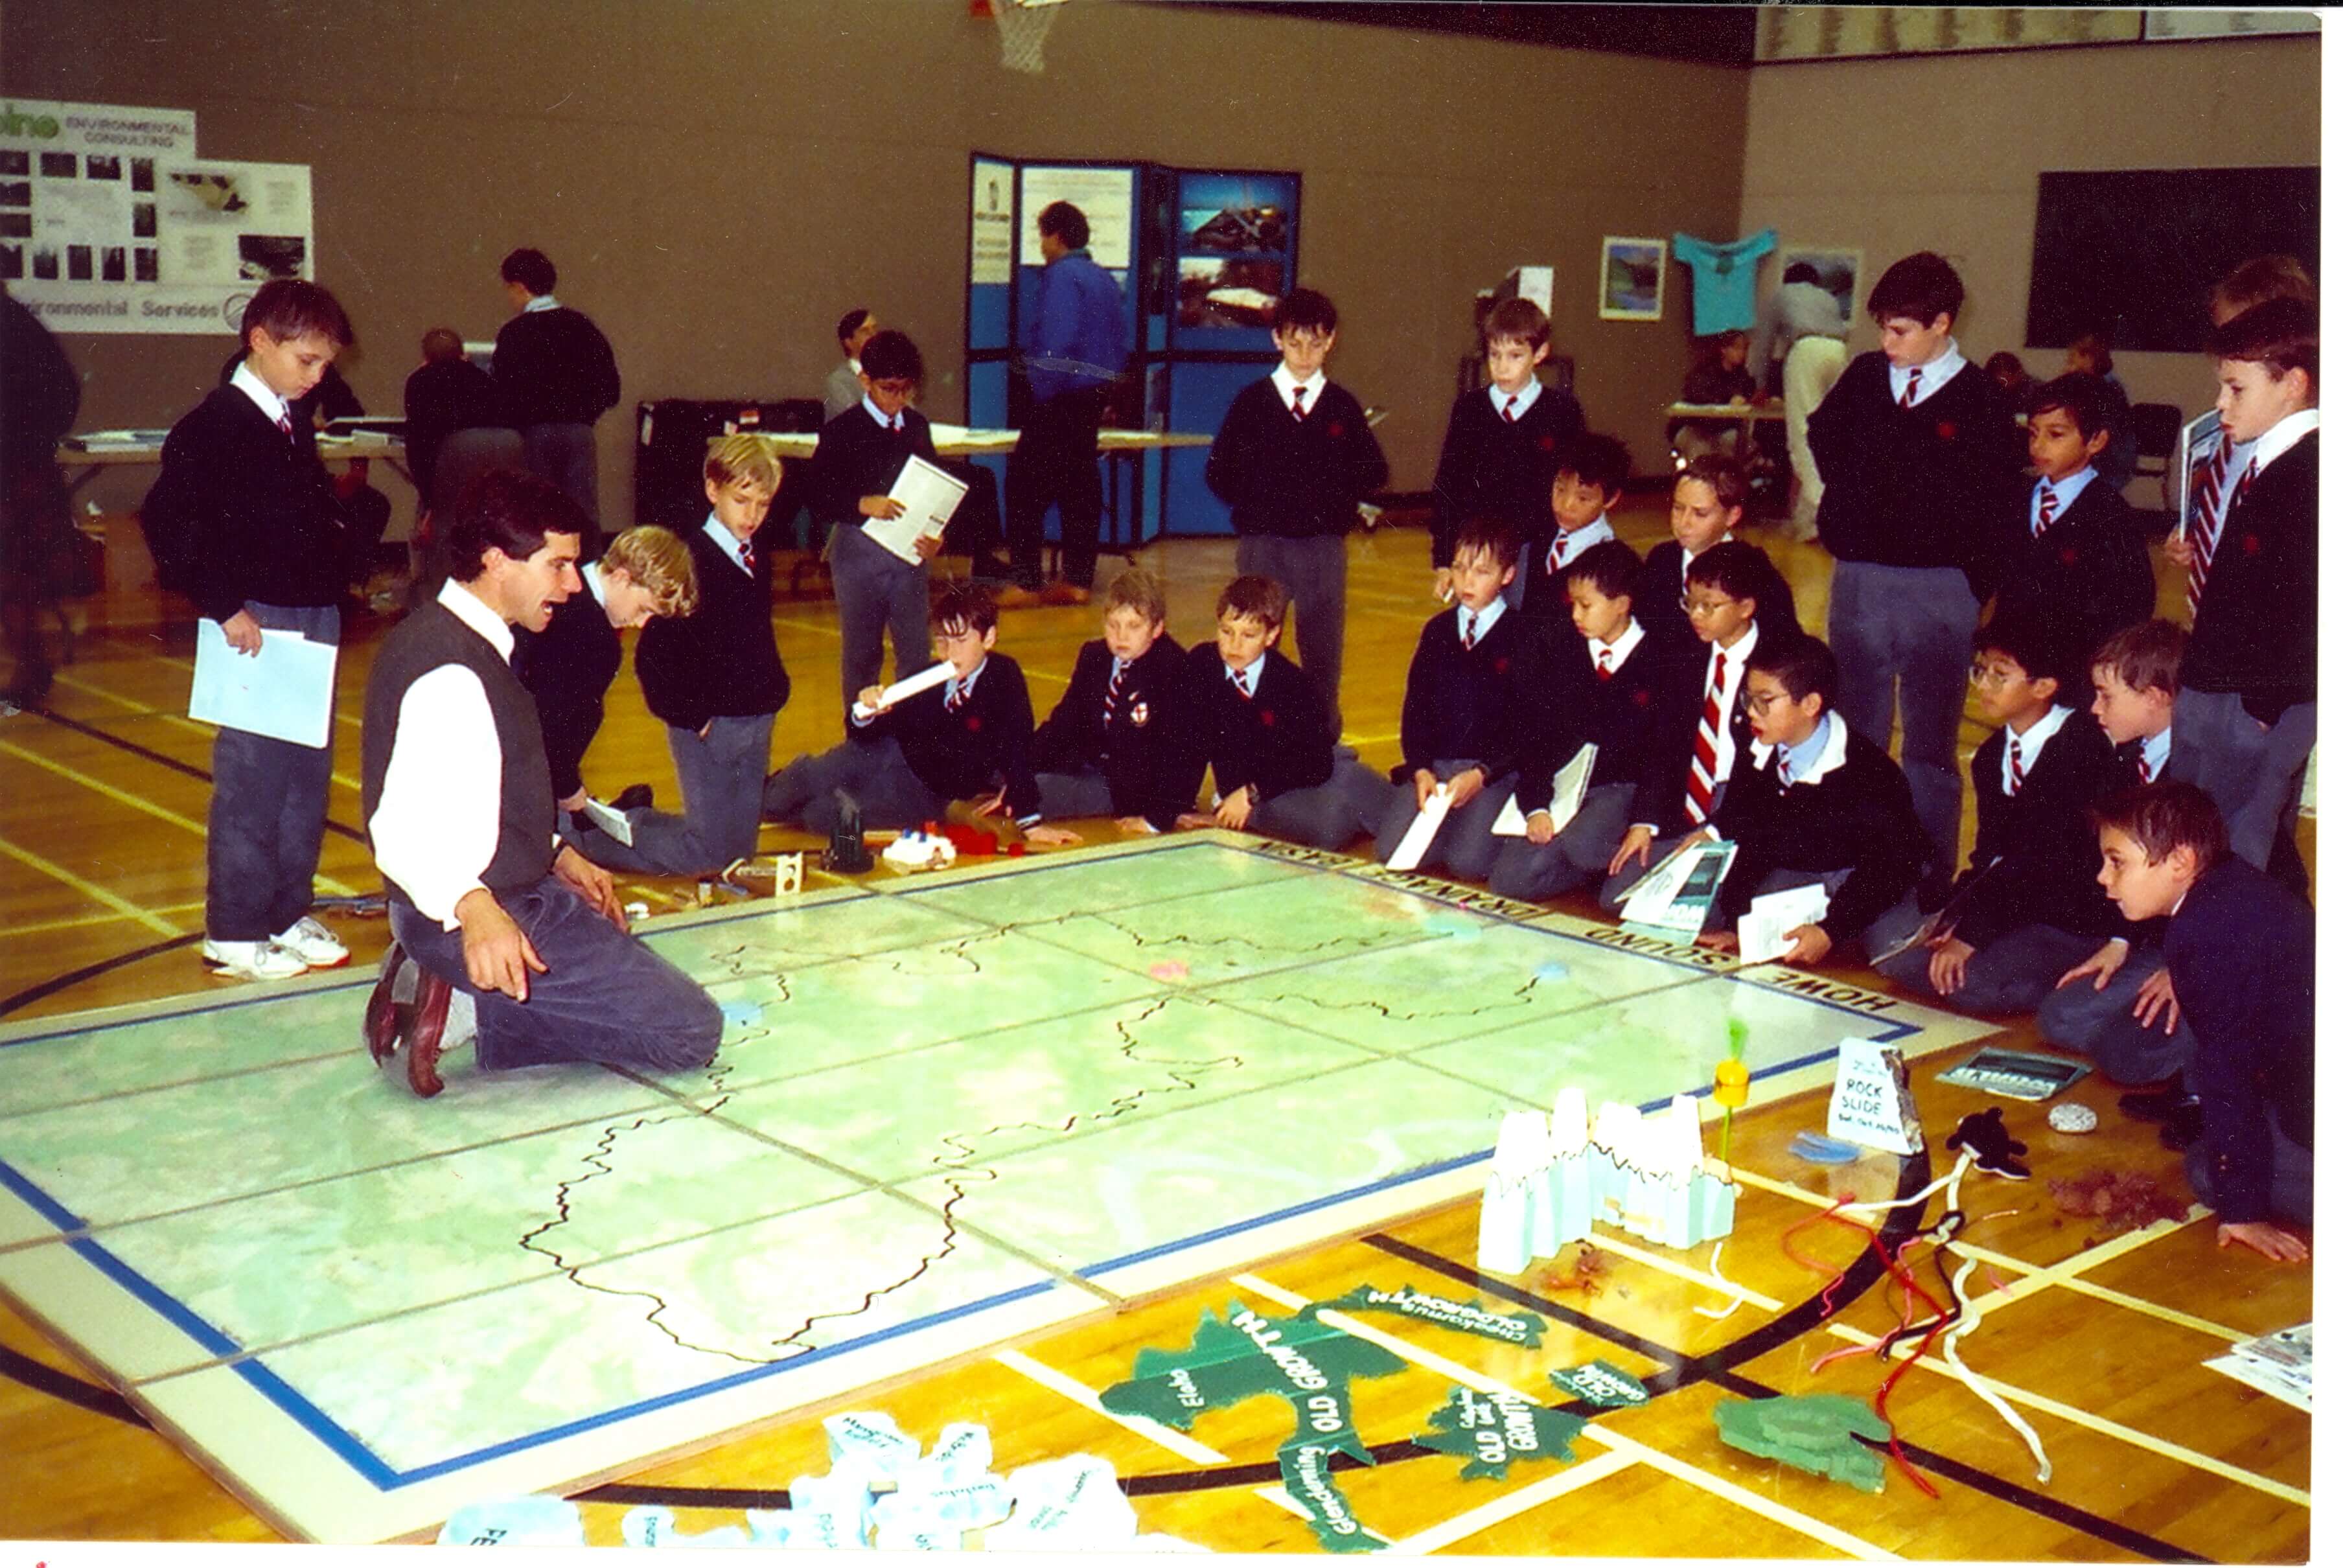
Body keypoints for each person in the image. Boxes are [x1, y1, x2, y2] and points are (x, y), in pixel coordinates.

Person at [361, 469, 721, 1099]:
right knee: (689, 1031)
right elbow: (397, 826)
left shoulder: (457, 637)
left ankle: (467, 989)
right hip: (478, 907)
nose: (570, 584)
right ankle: (474, 1002)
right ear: (499, 561)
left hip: (498, 889)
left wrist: (555, 852)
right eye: (558, 565)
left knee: (623, 974)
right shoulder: (452, 670)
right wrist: (475, 911)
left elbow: (479, 791)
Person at [145, 279, 356, 982]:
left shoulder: (288, 418)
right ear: (259, 339)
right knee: (254, 781)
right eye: (306, 360)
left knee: (305, 777)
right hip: (258, 623)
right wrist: (222, 603)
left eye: (325, 363)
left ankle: (282, 911)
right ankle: (234, 929)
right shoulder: (213, 425)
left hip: (309, 615)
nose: (317, 376)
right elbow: (167, 524)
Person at [1808, 250, 2024, 875]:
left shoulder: (1980, 399)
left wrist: (1973, 585)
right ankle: (1853, 864)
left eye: (1901, 330)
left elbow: (1999, 502)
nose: (1887, 342)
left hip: (1940, 590)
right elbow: (1824, 436)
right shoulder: (1865, 377)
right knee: (1856, 732)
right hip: (1861, 580)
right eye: (1882, 329)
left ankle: (1927, 873)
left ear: (1942, 324)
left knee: (1930, 745)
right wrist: (1851, 510)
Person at [2037, 619, 2252, 1130]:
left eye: (2106, 696)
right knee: (2060, 1017)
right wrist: (2120, 940)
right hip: (2163, 938)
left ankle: (2221, 1064)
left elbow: (2236, 889)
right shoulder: (2133, 759)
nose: (2094, 709)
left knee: (2125, 1056)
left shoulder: (2205, 774)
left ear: (2156, 697)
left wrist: (2188, 968)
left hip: (2223, 944)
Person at [2088, 783, 2310, 1263]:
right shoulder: (2231, 884)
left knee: (2209, 1174)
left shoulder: (2204, 933)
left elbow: (2227, 1071)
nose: (2104, 878)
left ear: (2180, 863)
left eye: (2117, 862)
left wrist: (2243, 1210)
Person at [1875, 616, 2123, 1013]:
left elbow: (2041, 863)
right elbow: (1990, 857)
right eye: (1981, 671)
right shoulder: (1993, 756)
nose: (1983, 686)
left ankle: (2060, 978)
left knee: (1980, 981)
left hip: (2070, 917)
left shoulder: (2082, 749)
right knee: (1897, 952)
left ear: (2043, 687)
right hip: (2015, 905)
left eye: (2000, 675)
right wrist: (1955, 915)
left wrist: (1972, 935)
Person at [2175, 297, 2317, 892]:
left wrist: (2265, 705)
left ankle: (2234, 974)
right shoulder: (2261, 463)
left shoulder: (2312, 473)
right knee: (2208, 836)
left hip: (2257, 703)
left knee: (2238, 848)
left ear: (2293, 384)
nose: (2220, 403)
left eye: (2236, 388)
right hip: (2219, 687)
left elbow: (2309, 608)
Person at [761, 581, 1077, 844]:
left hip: (925, 792)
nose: (949, 652)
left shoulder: (1004, 679)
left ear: (989, 638)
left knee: (824, 816)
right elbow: (869, 732)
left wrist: (1030, 822)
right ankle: (753, 797)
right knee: (807, 778)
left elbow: (1016, 751)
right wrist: (868, 712)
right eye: (942, 640)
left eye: (961, 640)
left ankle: (788, 806)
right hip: (884, 754)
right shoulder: (927, 675)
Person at [1204, 288, 1389, 737]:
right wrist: (1260, 503)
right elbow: (1219, 472)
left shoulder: (1342, 407)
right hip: (1263, 547)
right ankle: (1248, 743)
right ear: (1276, 340)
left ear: (1331, 342)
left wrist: (1332, 502)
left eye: (1315, 342)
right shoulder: (1252, 403)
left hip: (1322, 549)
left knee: (1322, 653)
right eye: (1294, 342)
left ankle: (1322, 744)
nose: (1304, 353)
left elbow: (1374, 472)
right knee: (1250, 646)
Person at [1691, 634, 1933, 970]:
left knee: (1899, 959)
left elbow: (1891, 864)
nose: (1750, 712)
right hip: (1807, 864)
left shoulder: (1870, 774)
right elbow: (1748, 824)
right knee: (1737, 910)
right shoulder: (1758, 743)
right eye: (1748, 698)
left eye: (1765, 701)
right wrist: (1737, 927)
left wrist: (1830, 931)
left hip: (1872, 872)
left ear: (1810, 704)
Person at [1488, 539, 1688, 903]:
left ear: (1623, 605)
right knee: (1509, 880)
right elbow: (1534, 734)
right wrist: (1536, 806)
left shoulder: (1660, 660)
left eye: (1586, 606)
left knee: (1586, 845)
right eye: (1572, 605)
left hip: (1621, 789)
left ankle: (1598, 858)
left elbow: (1665, 752)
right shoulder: (1557, 647)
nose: (1576, 615)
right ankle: (1587, 867)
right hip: (1563, 787)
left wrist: (1645, 820)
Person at [629, 435, 791, 875]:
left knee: (741, 855)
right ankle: (615, 829)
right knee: (708, 854)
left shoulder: (756, 555)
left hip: (756, 718)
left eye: (763, 504)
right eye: (743, 501)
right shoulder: (691, 562)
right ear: (712, 490)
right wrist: (694, 719)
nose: (753, 516)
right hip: (708, 725)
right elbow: (653, 658)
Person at [1600, 540, 1783, 908]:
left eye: (1709, 606)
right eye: (1690, 603)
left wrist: (1718, 829)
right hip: (1687, 798)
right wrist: (1644, 822)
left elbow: (1771, 775)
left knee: (1710, 906)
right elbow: (1662, 746)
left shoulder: (1776, 665)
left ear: (1746, 607)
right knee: (1618, 900)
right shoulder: (1683, 655)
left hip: (1744, 803)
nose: (1696, 615)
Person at [512, 524, 699, 863]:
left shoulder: (569, 591)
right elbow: (551, 722)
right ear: (623, 578)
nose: (641, 624)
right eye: (643, 610)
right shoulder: (591, 633)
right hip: (526, 778)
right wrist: (567, 788)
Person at [1173, 574, 1385, 851]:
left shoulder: (1290, 681)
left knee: (1371, 792)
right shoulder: (1202, 664)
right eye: (1227, 632)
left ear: (1271, 636)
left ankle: (1354, 782)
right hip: (1266, 791)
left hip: (1299, 770)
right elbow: (1188, 740)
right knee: (1330, 826)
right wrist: (1174, 808)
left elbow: (1316, 762)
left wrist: (1252, 792)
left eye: (1249, 636)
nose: (1235, 645)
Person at [1371, 518, 1528, 881]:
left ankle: (1481, 827)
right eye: (1459, 568)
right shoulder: (1437, 631)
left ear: (1507, 576)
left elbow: (1527, 728)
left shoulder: (1524, 636)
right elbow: (1415, 711)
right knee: (1390, 849)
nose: (1467, 581)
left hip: (1491, 773)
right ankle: (1450, 827)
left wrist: (1483, 773)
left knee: (1468, 864)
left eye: (1481, 571)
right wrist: (1421, 768)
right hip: (1439, 767)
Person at [805, 329, 946, 714]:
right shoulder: (842, 431)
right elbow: (816, 496)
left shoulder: (916, 426)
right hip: (858, 557)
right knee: (862, 655)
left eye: (905, 390)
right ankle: (861, 733)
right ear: (865, 381)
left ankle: (916, 741)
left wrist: (937, 536)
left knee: (916, 653)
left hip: (909, 557)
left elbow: (933, 488)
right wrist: (861, 504)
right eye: (888, 389)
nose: (897, 399)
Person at [1991, 372, 2154, 686]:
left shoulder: (2112, 516)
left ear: (2096, 441)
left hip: (2077, 676)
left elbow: (2133, 606)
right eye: (2033, 433)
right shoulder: (2017, 502)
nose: (2038, 446)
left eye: (2056, 435)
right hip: (2019, 675)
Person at [1004, 200, 1127, 602]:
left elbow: (1057, 343)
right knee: (1081, 491)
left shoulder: (1061, 277)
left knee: (1023, 487)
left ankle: (1025, 581)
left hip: (1060, 397)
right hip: (1093, 397)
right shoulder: (1105, 280)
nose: (1041, 245)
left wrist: (1039, 392)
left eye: (1042, 236)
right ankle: (1077, 581)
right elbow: (1118, 344)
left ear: (1056, 237)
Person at [1429, 297, 1584, 597]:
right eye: (1495, 355)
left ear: (1539, 353)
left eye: (1515, 356)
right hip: (1476, 551)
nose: (1502, 367)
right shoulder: (1469, 410)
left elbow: (1573, 487)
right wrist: (1444, 558)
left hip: (1533, 549)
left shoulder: (1562, 411)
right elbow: (1448, 484)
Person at [1030, 568, 1195, 835]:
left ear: (1157, 628)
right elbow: (1063, 722)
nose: (1121, 637)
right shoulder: (1094, 655)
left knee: (1038, 791)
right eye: (1113, 625)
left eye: (1133, 627)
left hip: (1127, 787)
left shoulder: (1174, 668)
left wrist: (1158, 820)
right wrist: (1020, 767)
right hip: (1085, 763)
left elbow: (1182, 754)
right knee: (1000, 761)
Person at [492, 247, 622, 539]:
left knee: (540, 515)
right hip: (580, 432)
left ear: (519, 287)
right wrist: (585, 415)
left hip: (535, 435)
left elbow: (502, 392)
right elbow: (611, 387)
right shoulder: (583, 327)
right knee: (583, 513)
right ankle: (587, 576)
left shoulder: (515, 333)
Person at [1632, 454, 1796, 660]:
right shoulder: (1661, 560)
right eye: (1678, 508)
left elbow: (1783, 654)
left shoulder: (1758, 577)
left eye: (1700, 514)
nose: (1684, 522)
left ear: (1732, 515)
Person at [1, 286, 80, 709]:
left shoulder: (13, 326)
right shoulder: (22, 323)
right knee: (15, 578)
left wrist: (25, 442)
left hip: (15, 473)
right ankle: (30, 666)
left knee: (13, 577)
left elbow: (62, 397)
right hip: (24, 467)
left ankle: (30, 668)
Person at [1756, 261, 1850, 542]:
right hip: (1838, 350)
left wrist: (1759, 385)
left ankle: (1820, 515)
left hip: (1807, 350)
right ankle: (1810, 514)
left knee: (1803, 435)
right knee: (1832, 434)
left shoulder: (1781, 296)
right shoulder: (1828, 299)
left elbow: (1764, 344)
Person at [1510, 431, 1629, 625]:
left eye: (1583, 498)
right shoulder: (1537, 536)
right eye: (1560, 489)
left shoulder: (1610, 562)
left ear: (1612, 499)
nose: (1566, 505)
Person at [403, 326, 511, 518]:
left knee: (445, 517)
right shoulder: (483, 378)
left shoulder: (419, 381)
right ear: (463, 354)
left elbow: (420, 441)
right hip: (502, 451)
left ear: (426, 358)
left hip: (454, 458)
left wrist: (429, 500)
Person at [1670, 329, 1757, 462]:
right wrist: (1728, 400)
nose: (1742, 353)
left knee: (1739, 443)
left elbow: (1750, 395)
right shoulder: (1703, 372)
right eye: (1737, 348)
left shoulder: (1743, 376)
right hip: (1696, 427)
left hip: (1725, 429)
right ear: (1724, 349)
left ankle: (1729, 480)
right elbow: (1698, 397)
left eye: (1744, 349)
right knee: (1701, 448)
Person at [2062, 332, 2136, 487]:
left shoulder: (2105, 389)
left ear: (2088, 359)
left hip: (2109, 461)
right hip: (2105, 457)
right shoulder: (2102, 385)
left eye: (2072, 360)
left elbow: (2094, 428)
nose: (2069, 366)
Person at [824, 306, 882, 422]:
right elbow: (854, 421)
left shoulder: (890, 375)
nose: (873, 335)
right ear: (849, 342)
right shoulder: (838, 380)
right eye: (865, 331)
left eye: (875, 329)